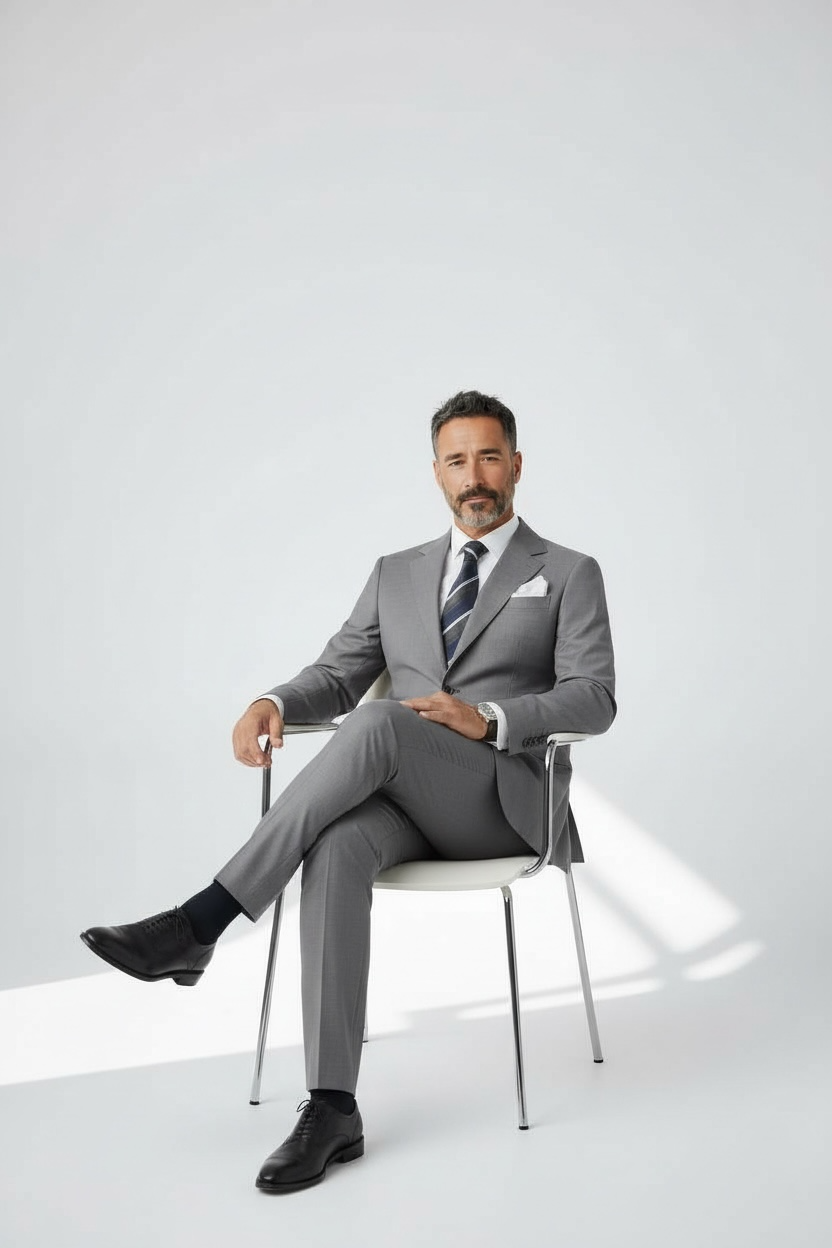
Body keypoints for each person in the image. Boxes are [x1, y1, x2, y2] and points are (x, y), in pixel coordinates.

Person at [81, 389, 616, 1194]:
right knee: (334, 844)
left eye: (489, 456)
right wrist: (272, 701)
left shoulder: (568, 571)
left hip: (500, 802)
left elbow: (593, 698)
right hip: (409, 804)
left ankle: (202, 921)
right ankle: (332, 1107)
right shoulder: (395, 573)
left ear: (516, 465)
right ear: (436, 473)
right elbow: (338, 674)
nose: (474, 476)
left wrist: (488, 718)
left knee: (376, 724)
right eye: (457, 460)